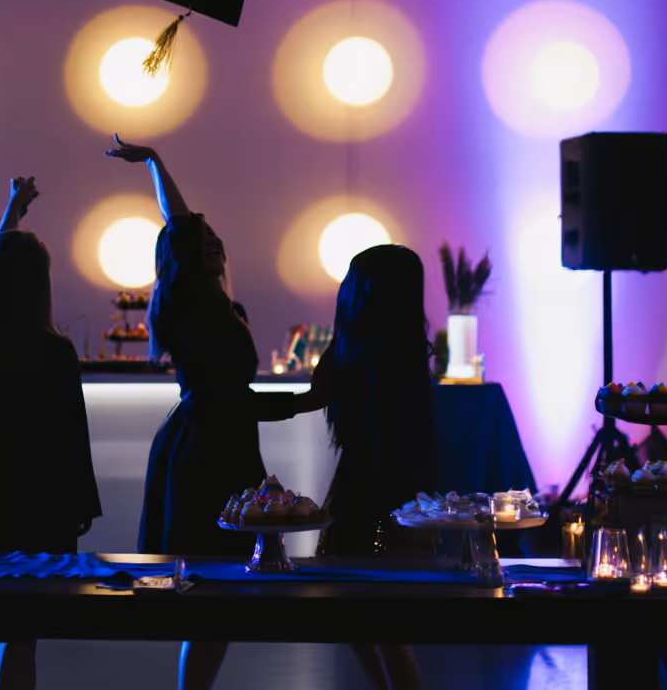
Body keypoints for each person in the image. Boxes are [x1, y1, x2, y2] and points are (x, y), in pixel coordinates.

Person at [105, 135, 327, 690]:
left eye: (212, 239)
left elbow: (236, 398)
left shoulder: (226, 308)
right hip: (207, 443)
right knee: (211, 577)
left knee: (220, 582)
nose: (207, 243)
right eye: (198, 241)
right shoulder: (190, 303)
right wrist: (155, 162)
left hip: (221, 437)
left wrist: (302, 401)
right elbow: (180, 226)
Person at [0, 177, 102, 690]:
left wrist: (12, 212)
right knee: (23, 638)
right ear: (40, 283)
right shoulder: (53, 350)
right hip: (42, 505)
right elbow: (73, 434)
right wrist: (82, 504)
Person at [313, 244, 435, 690]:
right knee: (371, 620)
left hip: (374, 495)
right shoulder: (399, 352)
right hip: (386, 491)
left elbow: (321, 391)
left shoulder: (365, 354)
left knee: (375, 621)